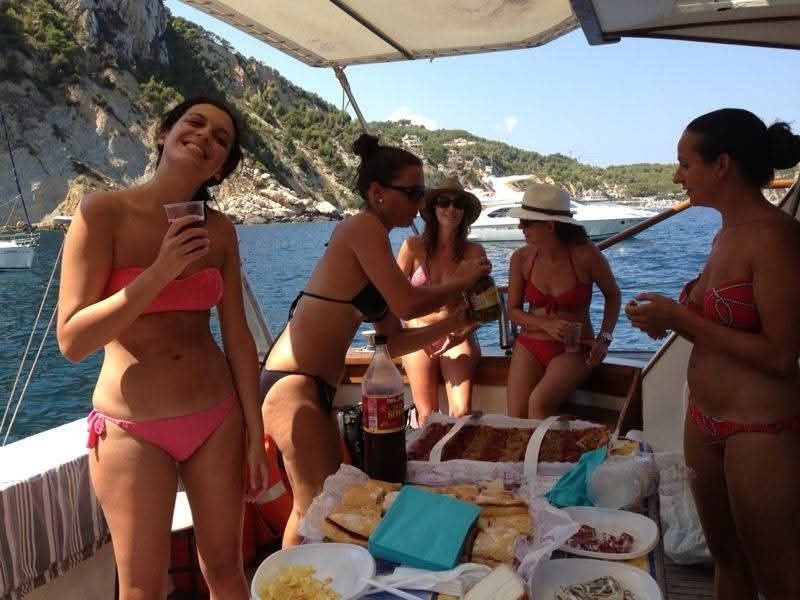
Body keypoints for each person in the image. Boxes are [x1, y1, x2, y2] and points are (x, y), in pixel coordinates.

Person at [57, 97, 268, 600]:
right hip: (132, 428)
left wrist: (255, 431)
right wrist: (159, 273)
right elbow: (72, 340)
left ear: (222, 165)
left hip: (217, 417)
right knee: (141, 587)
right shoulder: (103, 212)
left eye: (222, 138)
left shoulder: (219, 231)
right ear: (164, 133)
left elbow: (237, 336)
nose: (206, 137)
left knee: (226, 570)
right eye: (195, 123)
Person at [261, 134, 490, 547]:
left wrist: (453, 321)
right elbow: (405, 302)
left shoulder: (376, 246)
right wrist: (460, 281)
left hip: (314, 385)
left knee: (330, 503)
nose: (421, 204)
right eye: (413, 193)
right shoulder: (361, 228)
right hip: (291, 382)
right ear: (377, 192)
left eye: (423, 193)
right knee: (313, 508)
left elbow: (395, 340)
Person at [626, 108, 800, 599]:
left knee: (780, 574)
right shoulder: (727, 231)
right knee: (727, 558)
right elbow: (716, 326)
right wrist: (666, 321)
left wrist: (682, 319)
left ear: (722, 164)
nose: (678, 175)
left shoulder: (776, 236)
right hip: (705, 418)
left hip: (759, 428)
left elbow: (781, 355)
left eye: (686, 163)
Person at [506, 183, 620, 419]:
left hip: (574, 348)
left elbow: (613, 295)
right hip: (530, 343)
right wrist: (545, 325)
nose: (520, 227)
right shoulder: (521, 258)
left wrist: (604, 338)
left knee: (538, 404)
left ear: (549, 225)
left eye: (526, 223)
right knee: (515, 419)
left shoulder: (586, 255)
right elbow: (513, 311)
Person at [397, 177, 486, 423]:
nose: (451, 209)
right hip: (417, 336)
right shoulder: (412, 247)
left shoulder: (474, 252)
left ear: (465, 213)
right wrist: (396, 336)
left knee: (461, 414)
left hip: (458, 335)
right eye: (444, 203)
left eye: (458, 205)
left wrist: (462, 333)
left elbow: (487, 308)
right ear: (433, 208)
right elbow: (391, 296)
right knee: (427, 417)